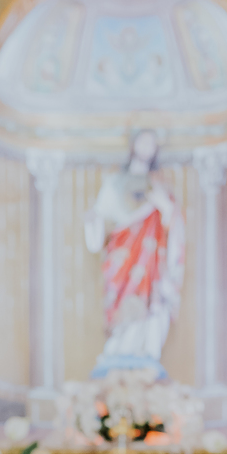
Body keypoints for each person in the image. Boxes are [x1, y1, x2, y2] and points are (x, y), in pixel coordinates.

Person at [83, 128, 186, 377]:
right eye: (143, 142)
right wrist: (93, 222)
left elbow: (174, 224)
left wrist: (164, 208)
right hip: (122, 253)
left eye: (152, 143)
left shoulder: (159, 186)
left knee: (150, 303)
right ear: (133, 146)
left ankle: (143, 350)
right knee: (122, 300)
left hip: (150, 256)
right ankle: (119, 348)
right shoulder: (114, 183)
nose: (147, 148)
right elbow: (99, 224)